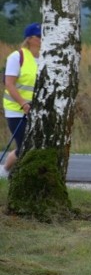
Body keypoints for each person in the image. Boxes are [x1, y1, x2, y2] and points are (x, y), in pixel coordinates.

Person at [1, 23, 42, 178]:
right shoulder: (17, 57)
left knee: (28, 146)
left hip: (37, 110)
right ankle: (16, 177)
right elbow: (9, 84)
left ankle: (4, 170)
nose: (42, 39)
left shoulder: (46, 58)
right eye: (39, 36)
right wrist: (23, 104)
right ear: (30, 39)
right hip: (16, 110)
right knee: (26, 145)